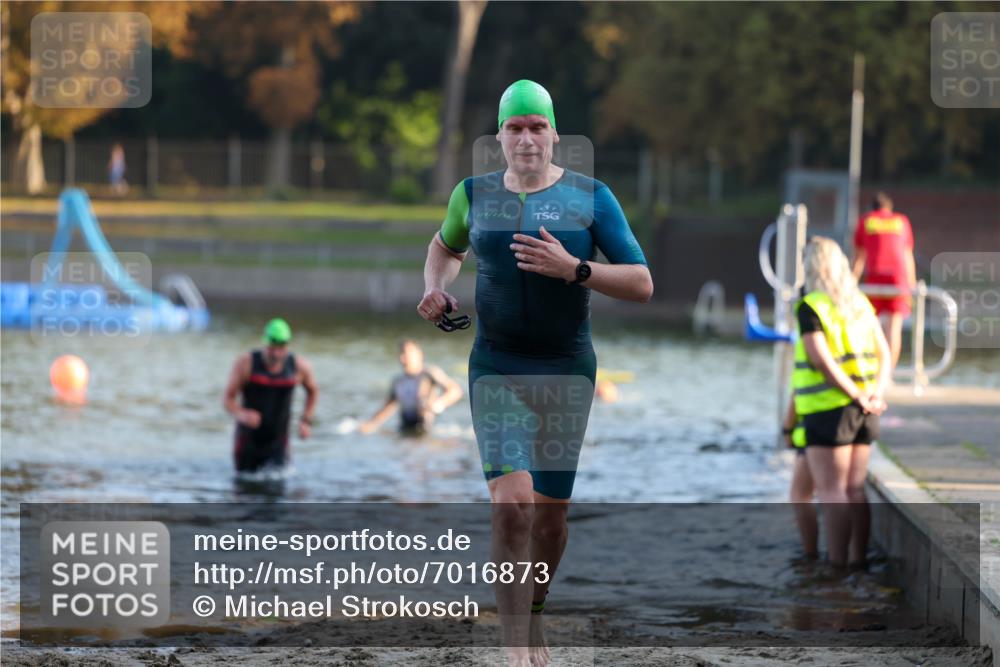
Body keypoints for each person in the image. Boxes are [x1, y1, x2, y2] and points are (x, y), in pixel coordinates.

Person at [417, 79, 653, 666]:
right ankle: (513, 645)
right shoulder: (471, 194)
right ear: (499, 135)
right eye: (514, 127)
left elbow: (643, 283)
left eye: (536, 127)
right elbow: (445, 248)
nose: (525, 138)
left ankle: (536, 616)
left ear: (555, 133)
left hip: (567, 370)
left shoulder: (592, 197)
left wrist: (576, 269)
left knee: (549, 522)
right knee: (511, 502)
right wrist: (435, 289)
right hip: (496, 364)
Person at [794, 237, 891, 569]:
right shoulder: (860, 303)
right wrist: (875, 393)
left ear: (811, 267)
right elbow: (885, 352)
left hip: (830, 410)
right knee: (854, 489)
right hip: (866, 410)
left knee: (831, 490)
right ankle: (858, 562)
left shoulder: (812, 305)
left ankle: (835, 568)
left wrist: (854, 394)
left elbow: (821, 359)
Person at [223, 318, 318, 473]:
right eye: (272, 347)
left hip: (279, 442)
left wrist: (306, 420)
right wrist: (242, 414)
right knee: (244, 489)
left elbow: (313, 391)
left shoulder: (299, 367)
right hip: (248, 441)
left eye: (281, 348)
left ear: (287, 345)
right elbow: (228, 399)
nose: (276, 353)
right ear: (264, 343)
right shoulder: (246, 364)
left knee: (279, 490)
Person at [852, 192, 916, 370]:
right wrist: (911, 286)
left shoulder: (866, 220)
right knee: (893, 329)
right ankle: (888, 374)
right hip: (898, 279)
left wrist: (850, 283)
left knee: (870, 325)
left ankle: (869, 368)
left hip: (875, 277)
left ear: (872, 208)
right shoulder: (901, 221)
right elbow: (907, 256)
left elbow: (859, 258)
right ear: (889, 208)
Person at [359, 339, 464, 436]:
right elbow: (389, 407)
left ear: (419, 355)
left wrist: (438, 404)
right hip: (405, 429)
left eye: (407, 353)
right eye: (401, 353)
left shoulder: (429, 373)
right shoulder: (398, 381)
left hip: (426, 431)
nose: (403, 358)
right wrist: (371, 424)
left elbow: (455, 390)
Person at [782, 395, 817, 559]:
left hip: (817, 428)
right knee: (850, 491)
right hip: (856, 417)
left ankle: (811, 556)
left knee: (800, 495)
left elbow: (799, 391)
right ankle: (853, 558)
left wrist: (787, 428)